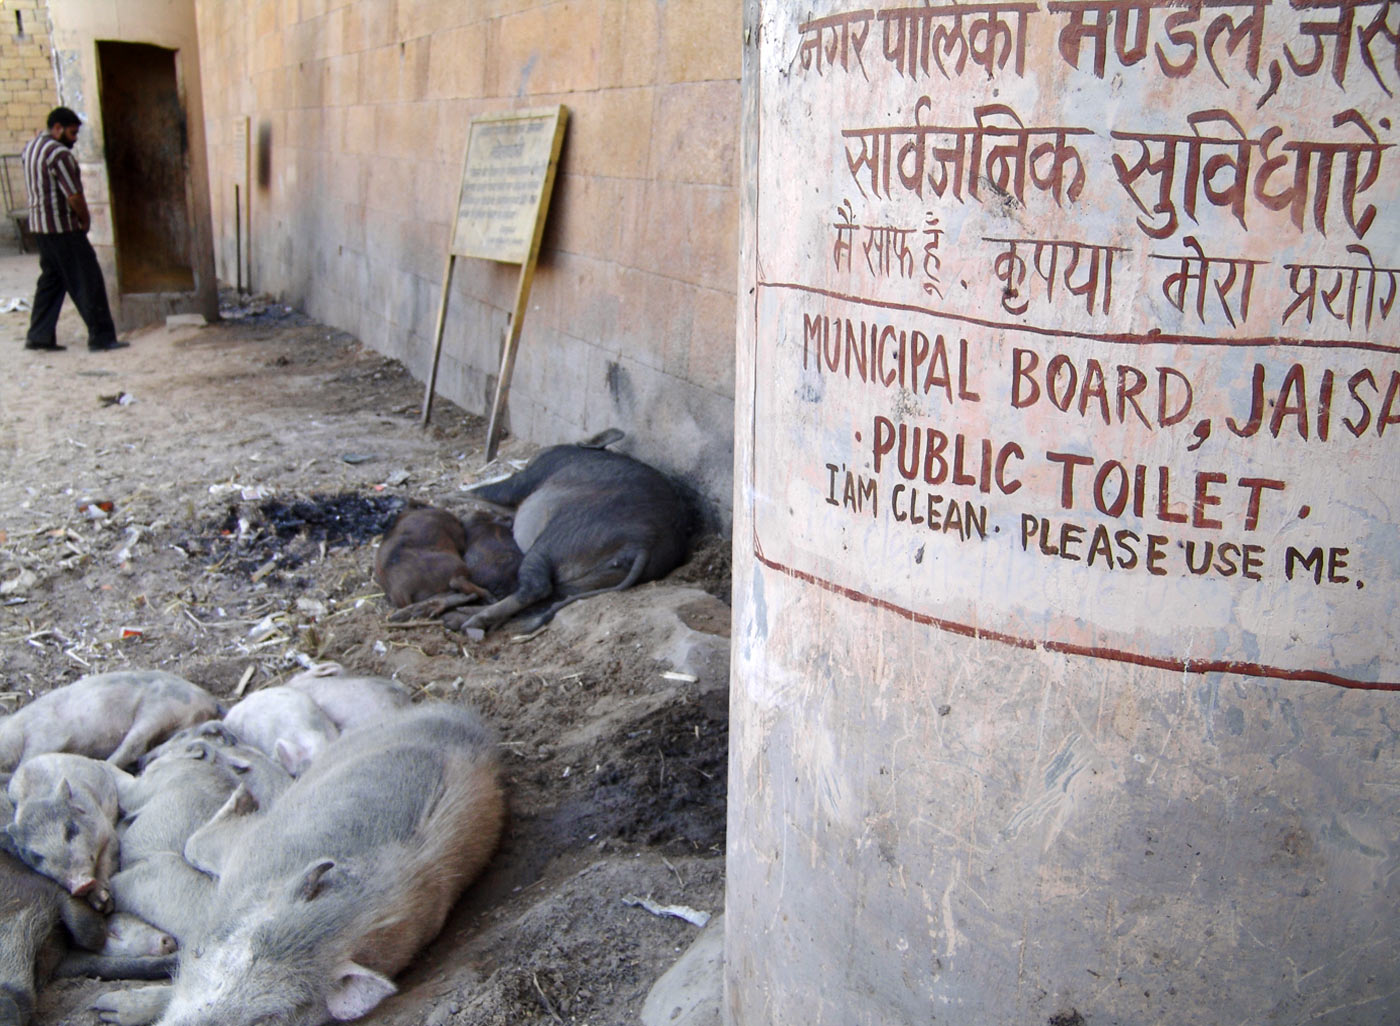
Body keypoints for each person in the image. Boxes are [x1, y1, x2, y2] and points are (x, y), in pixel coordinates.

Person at [21, 106, 124, 353]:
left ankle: (39, 335)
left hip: (39, 227)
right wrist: (85, 220)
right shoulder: (59, 154)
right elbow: (74, 195)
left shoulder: (30, 147)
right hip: (62, 228)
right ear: (58, 129)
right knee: (88, 280)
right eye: (72, 133)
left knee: (51, 282)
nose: (74, 139)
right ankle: (101, 337)